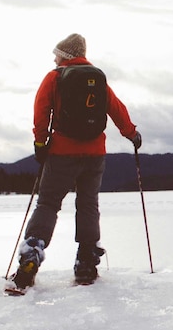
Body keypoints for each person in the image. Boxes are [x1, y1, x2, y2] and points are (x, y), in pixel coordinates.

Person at [11, 33, 141, 288]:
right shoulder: (97, 79)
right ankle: (86, 262)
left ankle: (32, 254)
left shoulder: (55, 77)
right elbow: (116, 108)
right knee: (88, 204)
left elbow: (41, 110)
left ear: (66, 55)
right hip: (94, 154)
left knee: (48, 203)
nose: (54, 58)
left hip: (62, 152)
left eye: (57, 54)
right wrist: (131, 133)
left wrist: (40, 143)